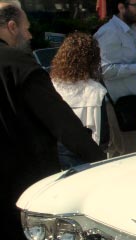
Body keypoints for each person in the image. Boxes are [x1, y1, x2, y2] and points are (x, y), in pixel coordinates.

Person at [0, 1, 105, 240]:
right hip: (20, 173)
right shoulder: (17, 63)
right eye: (27, 27)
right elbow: (59, 119)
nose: (30, 35)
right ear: (11, 26)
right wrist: (97, 158)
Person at [94, 0, 136, 155]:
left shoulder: (131, 31)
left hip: (135, 105)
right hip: (120, 109)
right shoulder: (110, 32)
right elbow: (105, 70)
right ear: (121, 7)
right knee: (127, 157)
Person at [49, 32, 111, 169]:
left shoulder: (51, 86)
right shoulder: (96, 91)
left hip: (56, 152)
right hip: (85, 154)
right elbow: (103, 134)